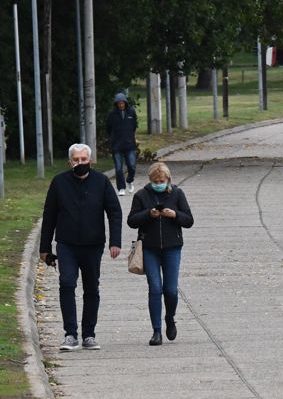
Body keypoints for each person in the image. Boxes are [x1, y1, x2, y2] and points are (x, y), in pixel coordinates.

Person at [39, 143, 122, 352]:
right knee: (67, 283)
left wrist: (115, 241)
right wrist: (45, 248)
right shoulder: (59, 182)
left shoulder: (101, 182)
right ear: (70, 162)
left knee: (91, 288)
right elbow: (49, 215)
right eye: (76, 160)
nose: (80, 163)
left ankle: (89, 334)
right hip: (66, 244)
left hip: (93, 244)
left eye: (83, 159)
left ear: (90, 161)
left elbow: (114, 212)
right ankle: (70, 334)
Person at [127, 161, 194, 348]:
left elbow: (189, 220)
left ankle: (170, 318)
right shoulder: (142, 195)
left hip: (172, 247)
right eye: (155, 181)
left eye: (162, 181)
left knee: (170, 290)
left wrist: (175, 215)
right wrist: (149, 214)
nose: (158, 184)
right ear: (150, 180)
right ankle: (156, 330)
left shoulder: (177, 194)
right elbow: (131, 221)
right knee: (155, 288)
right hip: (149, 247)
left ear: (168, 180)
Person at [106, 92, 140, 194]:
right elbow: (108, 128)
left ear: (125, 103)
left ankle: (129, 180)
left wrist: (129, 135)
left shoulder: (131, 112)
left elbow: (134, 126)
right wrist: (113, 138)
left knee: (132, 165)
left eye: (122, 103)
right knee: (118, 168)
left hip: (129, 144)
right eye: (119, 103)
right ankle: (121, 188)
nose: (121, 105)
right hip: (117, 145)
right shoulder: (112, 114)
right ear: (116, 104)